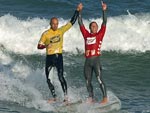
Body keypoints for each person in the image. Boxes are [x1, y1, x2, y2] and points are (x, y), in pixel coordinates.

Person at [37, 3, 83, 103]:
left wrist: (77, 10)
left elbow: (72, 22)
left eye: (57, 23)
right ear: (50, 24)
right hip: (49, 58)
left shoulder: (61, 30)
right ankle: (54, 97)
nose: (55, 25)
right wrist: (45, 46)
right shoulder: (45, 34)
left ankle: (66, 97)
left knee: (60, 76)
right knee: (48, 80)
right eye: (54, 24)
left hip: (58, 57)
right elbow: (38, 46)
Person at [78, 1, 108, 104]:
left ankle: (105, 98)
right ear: (90, 28)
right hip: (87, 62)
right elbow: (80, 23)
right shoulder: (86, 35)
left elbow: (104, 22)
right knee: (87, 81)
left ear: (97, 28)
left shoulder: (100, 35)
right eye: (92, 26)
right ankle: (91, 98)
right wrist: (80, 11)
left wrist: (104, 11)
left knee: (99, 79)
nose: (94, 27)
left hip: (96, 60)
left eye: (95, 26)